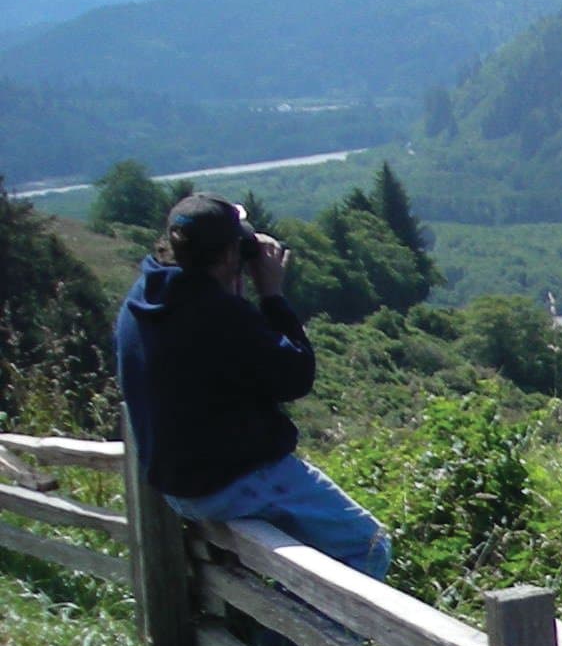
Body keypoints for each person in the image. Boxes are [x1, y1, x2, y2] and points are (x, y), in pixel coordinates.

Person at [113, 192, 390, 579]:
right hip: (232, 481)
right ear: (229, 255)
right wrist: (272, 295)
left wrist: (231, 293)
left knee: (301, 562)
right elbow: (295, 376)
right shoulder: (218, 315)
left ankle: (282, 634)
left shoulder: (142, 298)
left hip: (179, 485)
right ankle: (304, 641)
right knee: (369, 545)